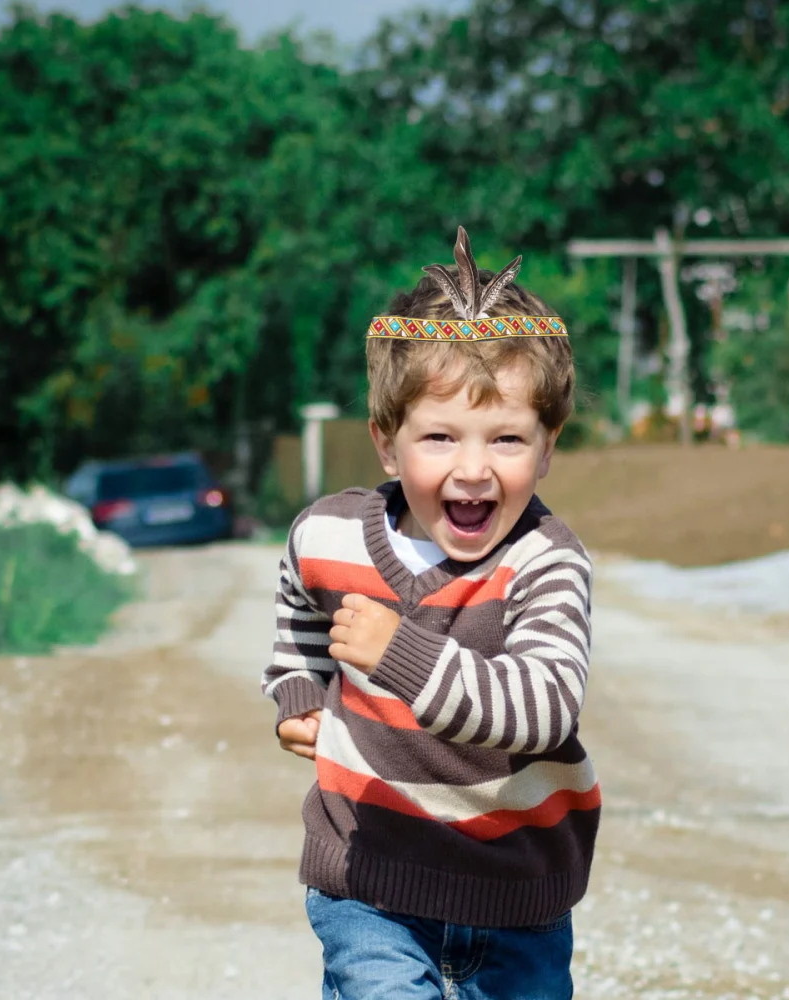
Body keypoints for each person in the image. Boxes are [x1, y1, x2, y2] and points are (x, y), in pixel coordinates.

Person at [262, 227, 600, 1000]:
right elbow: (297, 609)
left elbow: (544, 708)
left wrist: (399, 654)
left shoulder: (545, 561)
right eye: (440, 437)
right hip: (369, 877)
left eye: (508, 439)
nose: (473, 469)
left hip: (518, 889)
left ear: (548, 449)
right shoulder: (329, 535)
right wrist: (301, 694)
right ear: (387, 444)